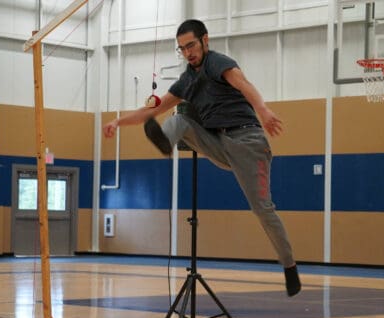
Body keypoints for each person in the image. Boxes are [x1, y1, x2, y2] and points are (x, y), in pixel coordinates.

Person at [103, 19, 301, 297]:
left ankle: (290, 266)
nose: (188, 53)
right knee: (179, 117)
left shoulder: (218, 63)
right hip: (218, 143)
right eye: (182, 49)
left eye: (191, 45)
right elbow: (151, 109)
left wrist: (264, 110)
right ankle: (164, 142)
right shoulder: (187, 80)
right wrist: (117, 122)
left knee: (262, 209)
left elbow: (244, 85)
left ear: (205, 41)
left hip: (248, 142)